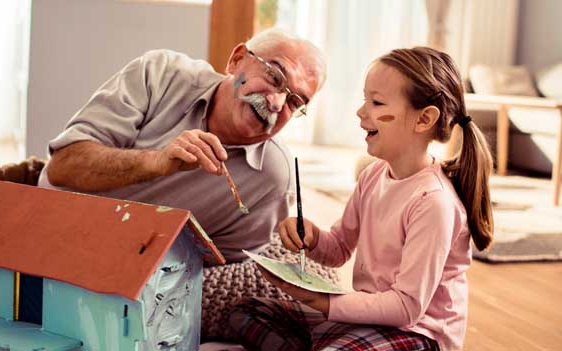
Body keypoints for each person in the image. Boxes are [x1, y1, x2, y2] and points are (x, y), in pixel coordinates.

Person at [229, 47, 494, 351]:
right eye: (365, 99)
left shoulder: (433, 202)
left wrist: (326, 303)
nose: (360, 111)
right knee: (246, 311)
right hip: (368, 322)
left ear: (424, 120)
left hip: (418, 334)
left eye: (377, 102)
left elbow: (406, 307)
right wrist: (312, 238)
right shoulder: (373, 176)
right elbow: (339, 248)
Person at [38, 29, 326, 263]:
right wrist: (156, 162)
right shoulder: (160, 74)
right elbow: (62, 167)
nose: (276, 103)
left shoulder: (275, 178)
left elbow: (220, 268)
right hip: (46, 233)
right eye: (274, 76)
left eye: (294, 101)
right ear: (237, 60)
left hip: (129, 278)